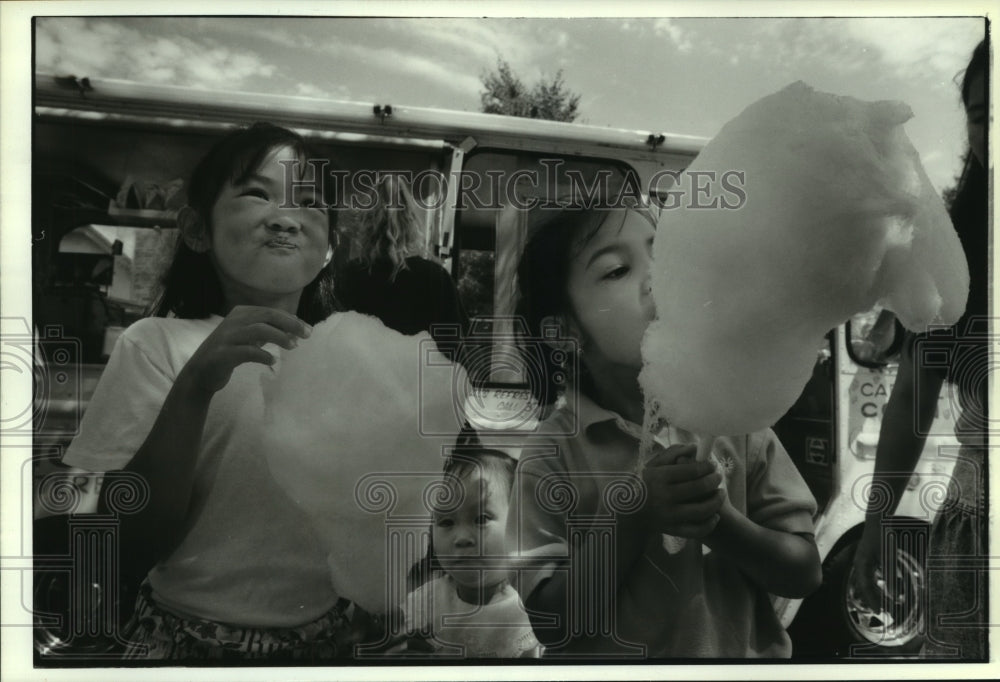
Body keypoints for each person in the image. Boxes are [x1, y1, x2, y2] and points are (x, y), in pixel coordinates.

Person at [61, 123, 381, 660]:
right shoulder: (157, 343)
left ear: (330, 248)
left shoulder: (354, 357)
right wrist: (195, 388)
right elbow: (129, 543)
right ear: (196, 229)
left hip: (330, 639)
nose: (284, 217)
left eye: (309, 203)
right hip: (188, 636)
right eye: (256, 193)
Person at [506, 202, 821, 658]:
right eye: (617, 270)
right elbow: (553, 623)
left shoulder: (736, 419)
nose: (660, 277)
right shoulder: (552, 452)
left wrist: (722, 524)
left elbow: (805, 573)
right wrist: (636, 515)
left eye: (664, 256)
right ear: (563, 331)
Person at [851, 38, 989, 660]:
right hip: (980, 528)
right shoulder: (957, 249)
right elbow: (912, 395)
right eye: (984, 115)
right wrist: (876, 526)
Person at [400, 446, 542, 658]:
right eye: (447, 521)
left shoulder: (533, 614)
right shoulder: (423, 605)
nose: (462, 538)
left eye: (481, 519)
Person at [336, 173, 467, 361]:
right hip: (419, 385)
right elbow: (455, 350)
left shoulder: (346, 277)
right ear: (411, 221)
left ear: (366, 223)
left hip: (359, 384)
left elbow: (331, 344)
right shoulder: (436, 277)